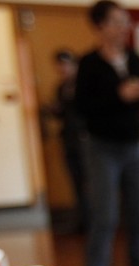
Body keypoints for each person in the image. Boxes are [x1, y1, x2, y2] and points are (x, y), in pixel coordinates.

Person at [75, 0, 139, 266]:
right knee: (105, 216)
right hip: (102, 147)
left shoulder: (134, 58)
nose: (124, 28)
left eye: (126, 22)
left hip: (133, 145)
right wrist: (119, 95)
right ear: (100, 26)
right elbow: (82, 107)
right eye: (117, 22)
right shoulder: (89, 63)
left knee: (138, 215)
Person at [48, 49, 89, 234]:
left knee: (90, 182)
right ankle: (81, 219)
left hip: (85, 139)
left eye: (66, 64)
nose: (63, 69)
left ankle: (94, 220)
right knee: (76, 181)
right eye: (59, 65)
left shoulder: (84, 86)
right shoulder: (60, 88)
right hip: (68, 139)